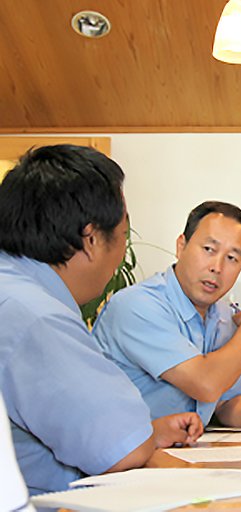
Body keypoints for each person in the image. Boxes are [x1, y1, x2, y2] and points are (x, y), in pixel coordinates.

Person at [0, 145, 203, 495]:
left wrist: (148, 432)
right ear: (91, 239)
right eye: (123, 235)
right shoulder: (38, 317)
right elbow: (124, 452)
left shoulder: (14, 290)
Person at [93, 201, 241, 432]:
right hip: (120, 457)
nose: (217, 267)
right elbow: (205, 384)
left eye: (232, 258)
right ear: (181, 246)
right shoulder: (137, 305)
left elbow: (223, 401)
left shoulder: (222, 315)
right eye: (208, 249)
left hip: (179, 455)